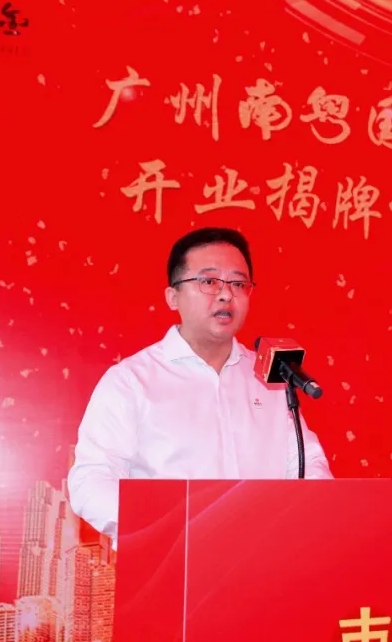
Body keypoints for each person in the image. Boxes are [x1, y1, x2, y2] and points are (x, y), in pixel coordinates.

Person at [67, 227, 333, 543]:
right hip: (168, 558)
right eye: (209, 282)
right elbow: (91, 479)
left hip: (264, 557)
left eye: (238, 284)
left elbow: (308, 464)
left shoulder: (271, 378)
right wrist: (163, 530)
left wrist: (303, 518)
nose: (226, 295)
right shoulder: (132, 381)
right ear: (173, 297)